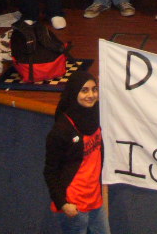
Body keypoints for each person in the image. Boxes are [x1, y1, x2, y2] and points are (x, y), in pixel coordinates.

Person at [44, 68, 110, 234]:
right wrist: (63, 204)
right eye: (84, 90)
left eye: (94, 89)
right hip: (73, 205)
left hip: (95, 200)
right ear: (74, 93)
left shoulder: (97, 114)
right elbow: (50, 172)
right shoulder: (61, 130)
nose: (91, 95)